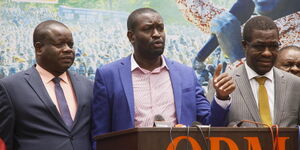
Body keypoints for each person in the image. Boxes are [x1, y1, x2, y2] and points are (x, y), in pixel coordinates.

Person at [92, 8, 235, 140]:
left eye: (160, 28)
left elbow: (210, 123)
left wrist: (221, 98)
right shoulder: (108, 75)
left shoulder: (186, 75)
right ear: (131, 36)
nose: (156, 34)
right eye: (148, 29)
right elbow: (100, 134)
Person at [0, 20, 93, 150]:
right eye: (59, 44)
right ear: (39, 48)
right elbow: (4, 140)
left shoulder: (88, 86)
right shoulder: (10, 88)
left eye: (70, 45)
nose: (68, 49)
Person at [225, 16, 300, 127]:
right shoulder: (224, 85)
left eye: (273, 46)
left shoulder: (295, 85)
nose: (267, 53)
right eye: (259, 46)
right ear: (245, 45)